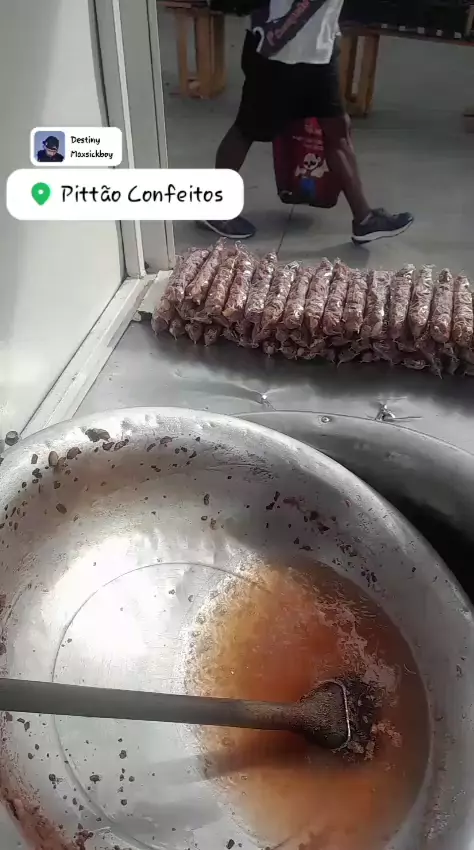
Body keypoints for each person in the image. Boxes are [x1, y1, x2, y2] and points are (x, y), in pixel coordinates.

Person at [202, 0, 414, 244]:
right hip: (277, 49)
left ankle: (364, 219)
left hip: (319, 50)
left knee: (338, 130)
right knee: (247, 128)